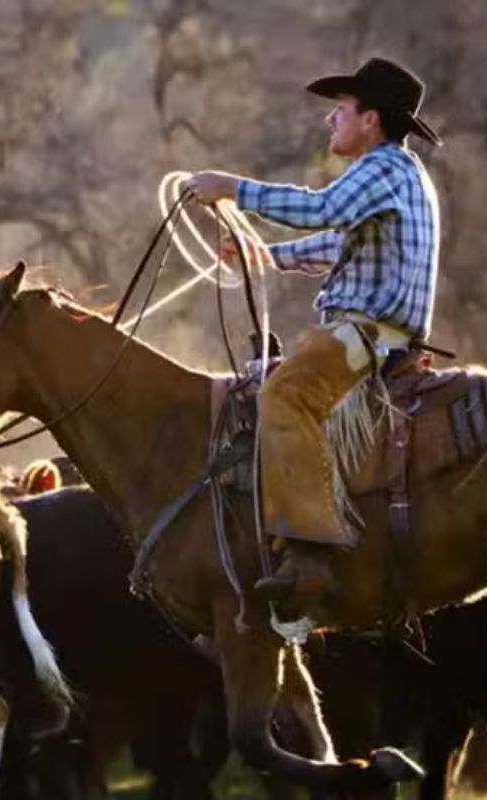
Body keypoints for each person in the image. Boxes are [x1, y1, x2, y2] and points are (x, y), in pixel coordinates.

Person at [184, 57, 442, 608]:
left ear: (370, 119)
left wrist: (231, 188)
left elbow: (320, 209)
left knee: (286, 392)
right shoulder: (399, 176)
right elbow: (339, 243)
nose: (331, 122)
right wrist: (266, 255)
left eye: (341, 110)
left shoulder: (382, 169)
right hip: (378, 333)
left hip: (367, 335)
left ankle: (309, 552)